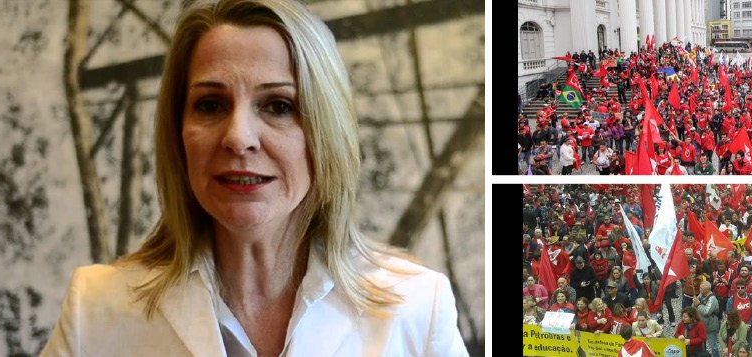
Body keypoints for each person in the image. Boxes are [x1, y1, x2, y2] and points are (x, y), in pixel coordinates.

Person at [41, 1, 468, 355]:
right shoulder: (95, 310)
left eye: (278, 106)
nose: (238, 137)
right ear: (177, 132)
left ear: (326, 132)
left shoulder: (416, 309)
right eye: (210, 105)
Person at [695, 281, 722, 357]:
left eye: (701, 288)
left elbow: (706, 312)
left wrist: (698, 305)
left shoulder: (712, 299)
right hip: (701, 326)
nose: (699, 289)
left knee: (713, 346)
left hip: (710, 326)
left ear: (706, 290)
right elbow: (694, 306)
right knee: (702, 345)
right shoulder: (701, 295)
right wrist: (695, 303)